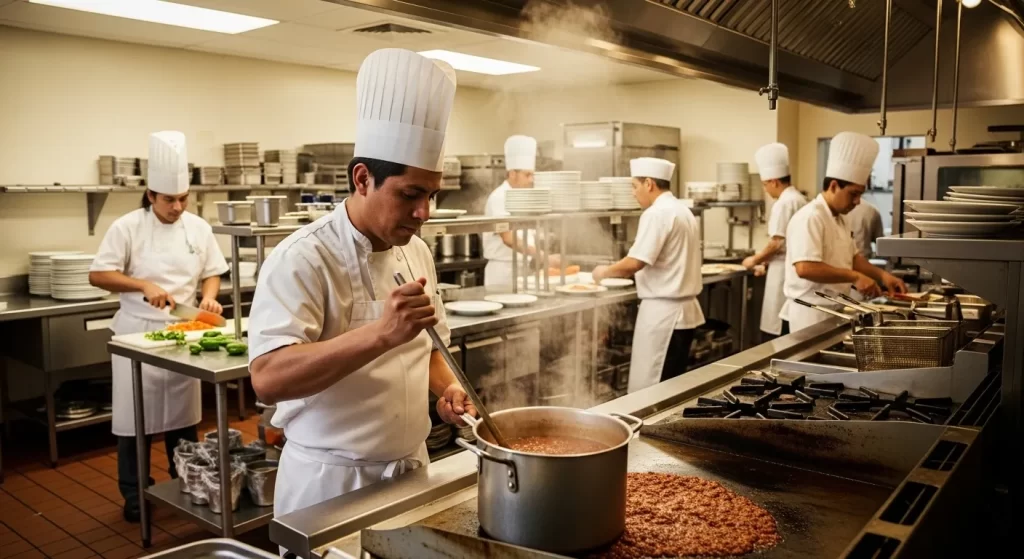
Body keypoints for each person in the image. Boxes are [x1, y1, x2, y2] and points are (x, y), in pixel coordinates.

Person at [246, 49, 477, 527]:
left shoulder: (417, 251)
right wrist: (380, 333)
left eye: (431, 195)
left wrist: (448, 387)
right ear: (362, 178)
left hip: (412, 472)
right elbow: (268, 377)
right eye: (410, 194)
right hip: (331, 485)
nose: (424, 213)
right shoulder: (302, 258)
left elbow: (429, 349)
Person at [89, 131, 228, 522]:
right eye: (170, 200)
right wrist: (141, 284)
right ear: (151, 196)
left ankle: (184, 481)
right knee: (135, 422)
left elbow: (213, 271)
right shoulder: (128, 226)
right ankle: (135, 495)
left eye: (183, 198)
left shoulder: (198, 227)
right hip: (136, 335)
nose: (178, 207)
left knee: (183, 420)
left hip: (182, 332)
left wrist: (208, 297)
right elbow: (98, 274)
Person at [592, 157, 704, 393]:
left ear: (649, 184)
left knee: (651, 390)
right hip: (683, 314)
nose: (633, 193)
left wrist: (604, 272)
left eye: (635, 186)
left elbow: (635, 262)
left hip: (664, 316)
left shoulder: (657, 213)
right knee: (671, 386)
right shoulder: (683, 211)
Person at [780, 132, 906, 333]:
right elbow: (805, 268)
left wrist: (883, 276)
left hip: (835, 310)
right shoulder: (810, 217)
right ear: (833, 186)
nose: (857, 201)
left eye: (860, 195)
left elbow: (853, 258)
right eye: (853, 194)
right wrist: (855, 277)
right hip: (810, 315)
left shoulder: (840, 217)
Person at [743, 143, 807, 340]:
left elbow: (777, 243)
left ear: (774, 182)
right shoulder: (799, 199)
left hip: (783, 273)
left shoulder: (784, 203)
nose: (765, 189)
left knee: (776, 329)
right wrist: (764, 262)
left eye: (765, 185)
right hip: (789, 268)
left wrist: (754, 260)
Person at [482, 135, 558, 286]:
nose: (531, 180)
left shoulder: (523, 197)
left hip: (524, 268)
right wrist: (544, 257)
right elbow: (508, 237)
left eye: (532, 175)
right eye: (527, 175)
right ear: (512, 174)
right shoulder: (500, 197)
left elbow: (525, 231)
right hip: (504, 271)